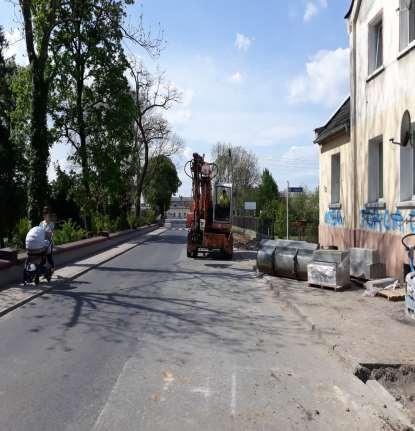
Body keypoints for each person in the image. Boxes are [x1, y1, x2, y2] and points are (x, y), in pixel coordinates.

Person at [39, 206, 55, 272]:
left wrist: (51, 234)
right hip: (42, 243)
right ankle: (42, 270)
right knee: (43, 258)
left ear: (49, 216)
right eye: (45, 215)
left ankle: (52, 268)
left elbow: (52, 232)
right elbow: (39, 231)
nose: (46, 217)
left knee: (49, 257)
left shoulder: (51, 224)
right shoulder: (41, 223)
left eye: (47, 215)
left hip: (49, 243)